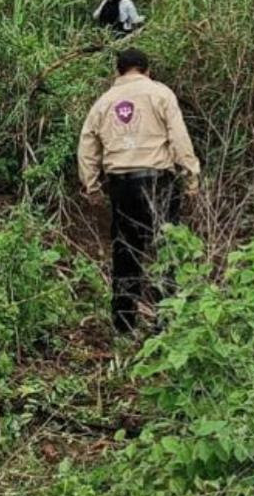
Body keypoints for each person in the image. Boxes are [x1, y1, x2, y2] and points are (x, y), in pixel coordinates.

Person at [77, 48, 201, 333]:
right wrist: (191, 175)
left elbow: (86, 149)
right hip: (158, 182)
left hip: (121, 185)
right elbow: (179, 137)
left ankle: (123, 326)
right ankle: (165, 325)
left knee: (125, 253)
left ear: (117, 72)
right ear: (147, 70)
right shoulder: (160, 94)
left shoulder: (103, 102)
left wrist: (93, 186)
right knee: (166, 251)